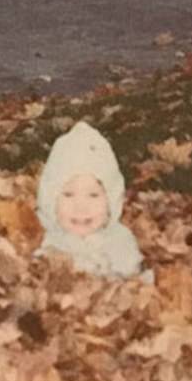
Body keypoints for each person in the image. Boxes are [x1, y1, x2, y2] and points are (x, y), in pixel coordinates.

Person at [36, 120, 152, 282]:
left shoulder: (120, 243)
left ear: (111, 200)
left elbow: (135, 288)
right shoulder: (49, 246)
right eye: (68, 195)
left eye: (93, 195)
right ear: (50, 200)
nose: (81, 207)